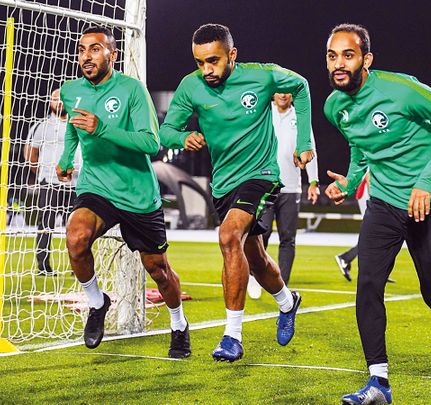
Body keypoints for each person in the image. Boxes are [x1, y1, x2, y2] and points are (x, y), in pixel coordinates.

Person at [324, 24, 431, 404]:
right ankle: (378, 383)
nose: (338, 64)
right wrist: (351, 181)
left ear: (366, 60)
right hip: (385, 204)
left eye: (348, 55)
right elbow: (360, 146)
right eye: (332, 55)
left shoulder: (402, 89)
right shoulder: (334, 106)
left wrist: (426, 180)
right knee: (368, 284)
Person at [159, 23, 314, 362]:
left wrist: (304, 143)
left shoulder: (262, 76)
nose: (206, 70)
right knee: (254, 257)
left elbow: (301, 87)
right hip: (224, 183)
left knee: (229, 236)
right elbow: (167, 129)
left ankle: (232, 336)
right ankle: (288, 302)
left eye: (213, 61)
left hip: (261, 175)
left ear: (232, 54)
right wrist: (180, 138)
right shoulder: (191, 87)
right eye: (199, 62)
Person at [55, 26, 191, 358]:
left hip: (136, 194)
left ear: (112, 54)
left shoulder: (132, 90)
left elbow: (151, 143)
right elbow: (75, 128)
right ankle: (97, 303)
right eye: (82, 49)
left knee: (157, 269)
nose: (87, 56)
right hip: (96, 186)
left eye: (95, 49)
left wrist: (103, 129)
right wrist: (64, 160)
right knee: (75, 238)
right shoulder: (71, 91)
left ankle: (178, 325)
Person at [258, 93, 319, 288]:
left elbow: (310, 148)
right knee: (262, 234)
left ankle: (281, 285)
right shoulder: (264, 113)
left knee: (288, 239)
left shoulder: (300, 117)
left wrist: (313, 181)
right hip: (266, 185)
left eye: (287, 91)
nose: (283, 95)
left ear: (292, 95)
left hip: (291, 188)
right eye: (279, 91)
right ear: (273, 94)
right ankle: (256, 275)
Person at [24, 89, 81, 276]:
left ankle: (78, 266)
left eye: (62, 99)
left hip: (76, 184)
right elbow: (30, 154)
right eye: (55, 99)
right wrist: (42, 172)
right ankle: (43, 266)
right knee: (45, 225)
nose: (59, 103)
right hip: (49, 182)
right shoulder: (42, 126)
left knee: (76, 228)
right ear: (49, 102)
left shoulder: (78, 124)